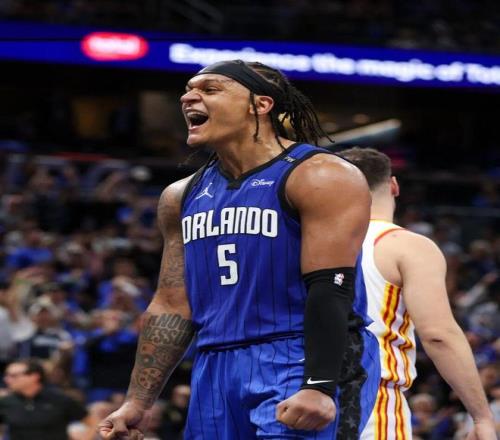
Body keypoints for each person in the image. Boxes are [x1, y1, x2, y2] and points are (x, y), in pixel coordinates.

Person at [98, 59, 379, 439]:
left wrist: (319, 384)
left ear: (260, 105)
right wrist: (137, 402)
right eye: (188, 89)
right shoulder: (180, 196)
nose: (188, 97)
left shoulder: (319, 174)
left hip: (299, 354)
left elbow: (330, 286)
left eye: (210, 89)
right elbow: (171, 305)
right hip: (215, 364)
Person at [337, 147, 496, 439]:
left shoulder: (301, 242)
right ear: (394, 186)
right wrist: (481, 416)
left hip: (296, 398)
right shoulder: (406, 246)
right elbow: (438, 335)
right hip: (369, 402)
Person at [0, 358, 89, 440]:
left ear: (34, 376)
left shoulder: (59, 399)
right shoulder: (6, 402)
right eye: (6, 375)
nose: (7, 379)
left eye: (14, 376)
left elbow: (90, 421)